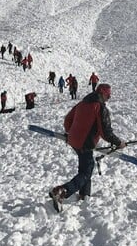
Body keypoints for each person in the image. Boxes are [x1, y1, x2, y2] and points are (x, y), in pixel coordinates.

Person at [49, 84, 126, 213]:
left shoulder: (81, 103)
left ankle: (85, 195)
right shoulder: (100, 107)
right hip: (85, 143)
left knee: (86, 168)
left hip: (74, 141)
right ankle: (62, 191)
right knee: (86, 171)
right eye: (108, 95)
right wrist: (118, 143)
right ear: (102, 93)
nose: (109, 97)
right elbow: (105, 132)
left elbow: (68, 120)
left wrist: (71, 133)